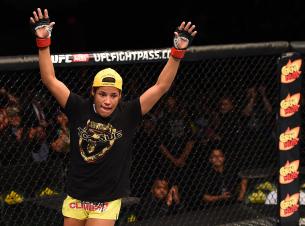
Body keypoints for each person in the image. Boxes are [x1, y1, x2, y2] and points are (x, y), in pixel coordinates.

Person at [29, 7, 197, 226]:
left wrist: (177, 53)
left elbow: (161, 86)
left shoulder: (128, 113)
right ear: (93, 93)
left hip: (106, 201)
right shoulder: (79, 107)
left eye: (113, 95)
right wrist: (43, 42)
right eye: (102, 94)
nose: (107, 100)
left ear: (120, 96)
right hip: (76, 196)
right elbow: (49, 79)